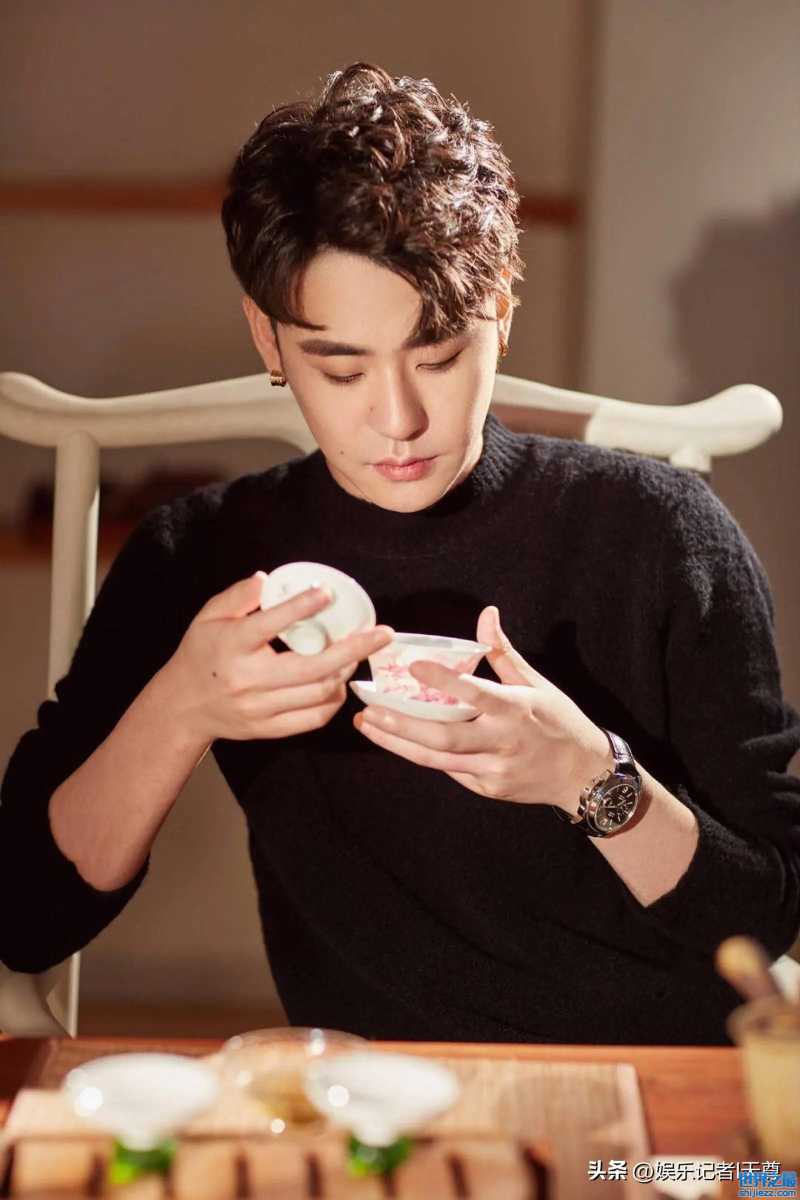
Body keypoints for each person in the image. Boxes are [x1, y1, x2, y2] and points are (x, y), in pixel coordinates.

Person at [1, 62, 799, 1044]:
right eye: (339, 368)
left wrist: (585, 776)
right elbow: (24, 916)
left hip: (652, 1094)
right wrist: (181, 709)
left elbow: (765, 920)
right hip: (372, 1096)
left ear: (501, 309)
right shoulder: (204, 556)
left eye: (439, 355)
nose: (398, 418)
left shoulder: (658, 533)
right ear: (268, 339)